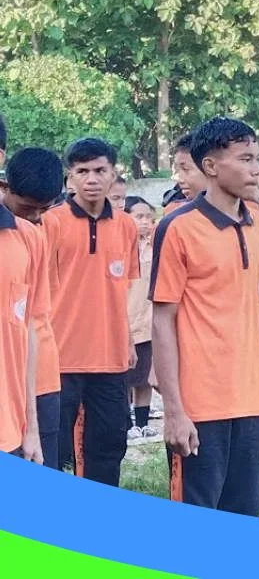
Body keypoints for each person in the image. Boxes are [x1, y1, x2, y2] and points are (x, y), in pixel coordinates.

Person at [151, 117, 259, 514]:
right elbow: (162, 321)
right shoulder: (177, 228)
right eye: (245, 159)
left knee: (245, 519)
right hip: (200, 408)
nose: (256, 169)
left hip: (249, 404)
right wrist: (174, 411)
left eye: (257, 158)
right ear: (211, 167)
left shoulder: (257, 222)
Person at [43, 137, 139, 485]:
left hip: (110, 359)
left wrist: (127, 341)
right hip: (60, 357)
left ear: (114, 174)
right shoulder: (51, 223)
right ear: (70, 177)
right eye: (82, 171)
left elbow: (121, 290)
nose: (92, 179)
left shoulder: (127, 226)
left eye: (100, 170)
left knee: (110, 446)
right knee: (53, 450)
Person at [0, 147, 64, 467]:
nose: (38, 217)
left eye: (45, 209)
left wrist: (31, 425)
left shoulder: (29, 237)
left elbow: (30, 321)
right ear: (5, 189)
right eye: (29, 208)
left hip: (31, 389)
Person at [124, 196, 159, 442]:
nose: (145, 222)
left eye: (148, 217)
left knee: (145, 377)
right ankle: (126, 422)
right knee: (124, 378)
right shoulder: (121, 247)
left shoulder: (154, 247)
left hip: (148, 323)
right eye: (139, 217)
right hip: (124, 323)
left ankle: (143, 422)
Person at [162, 133, 207, 215]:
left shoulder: (236, 213)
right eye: (177, 170)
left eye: (186, 169)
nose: (179, 179)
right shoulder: (174, 217)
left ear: (210, 167)